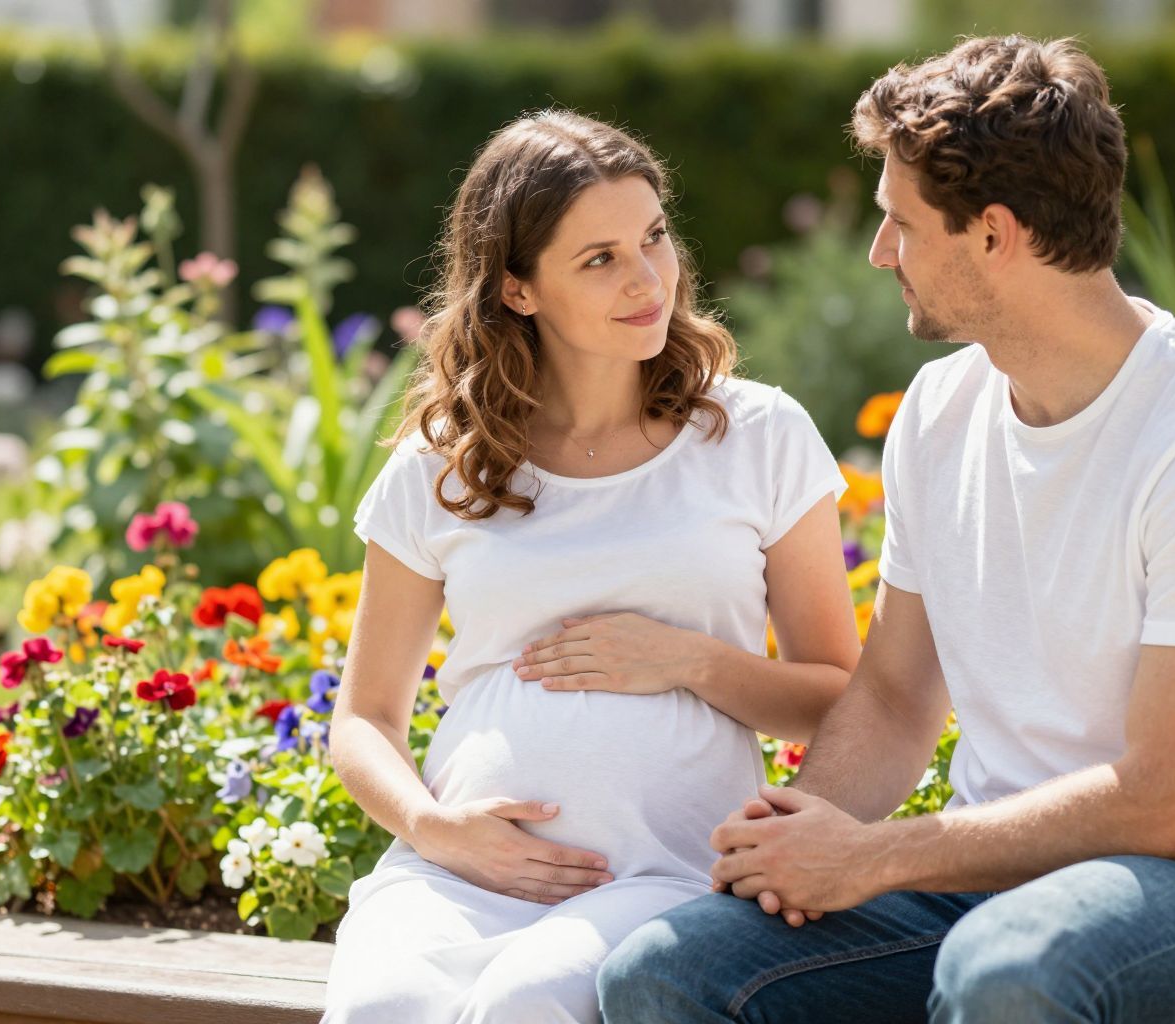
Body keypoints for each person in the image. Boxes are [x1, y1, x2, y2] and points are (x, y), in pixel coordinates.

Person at [599, 34, 1175, 1024]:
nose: (880, 252)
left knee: (1008, 973)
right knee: (664, 972)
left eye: (901, 223)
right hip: (985, 879)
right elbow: (896, 695)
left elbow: (1168, 803)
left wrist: (875, 858)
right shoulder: (941, 412)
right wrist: (799, 840)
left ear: (993, 234)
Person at [320, 109, 860, 1024]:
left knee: (525, 1004)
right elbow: (365, 718)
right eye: (600, 258)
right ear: (518, 289)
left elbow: (837, 696)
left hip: (665, 871)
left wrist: (687, 661)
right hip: (459, 873)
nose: (648, 279)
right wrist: (433, 827)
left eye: (654, 237)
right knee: (384, 1007)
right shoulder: (442, 462)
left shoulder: (758, 435)